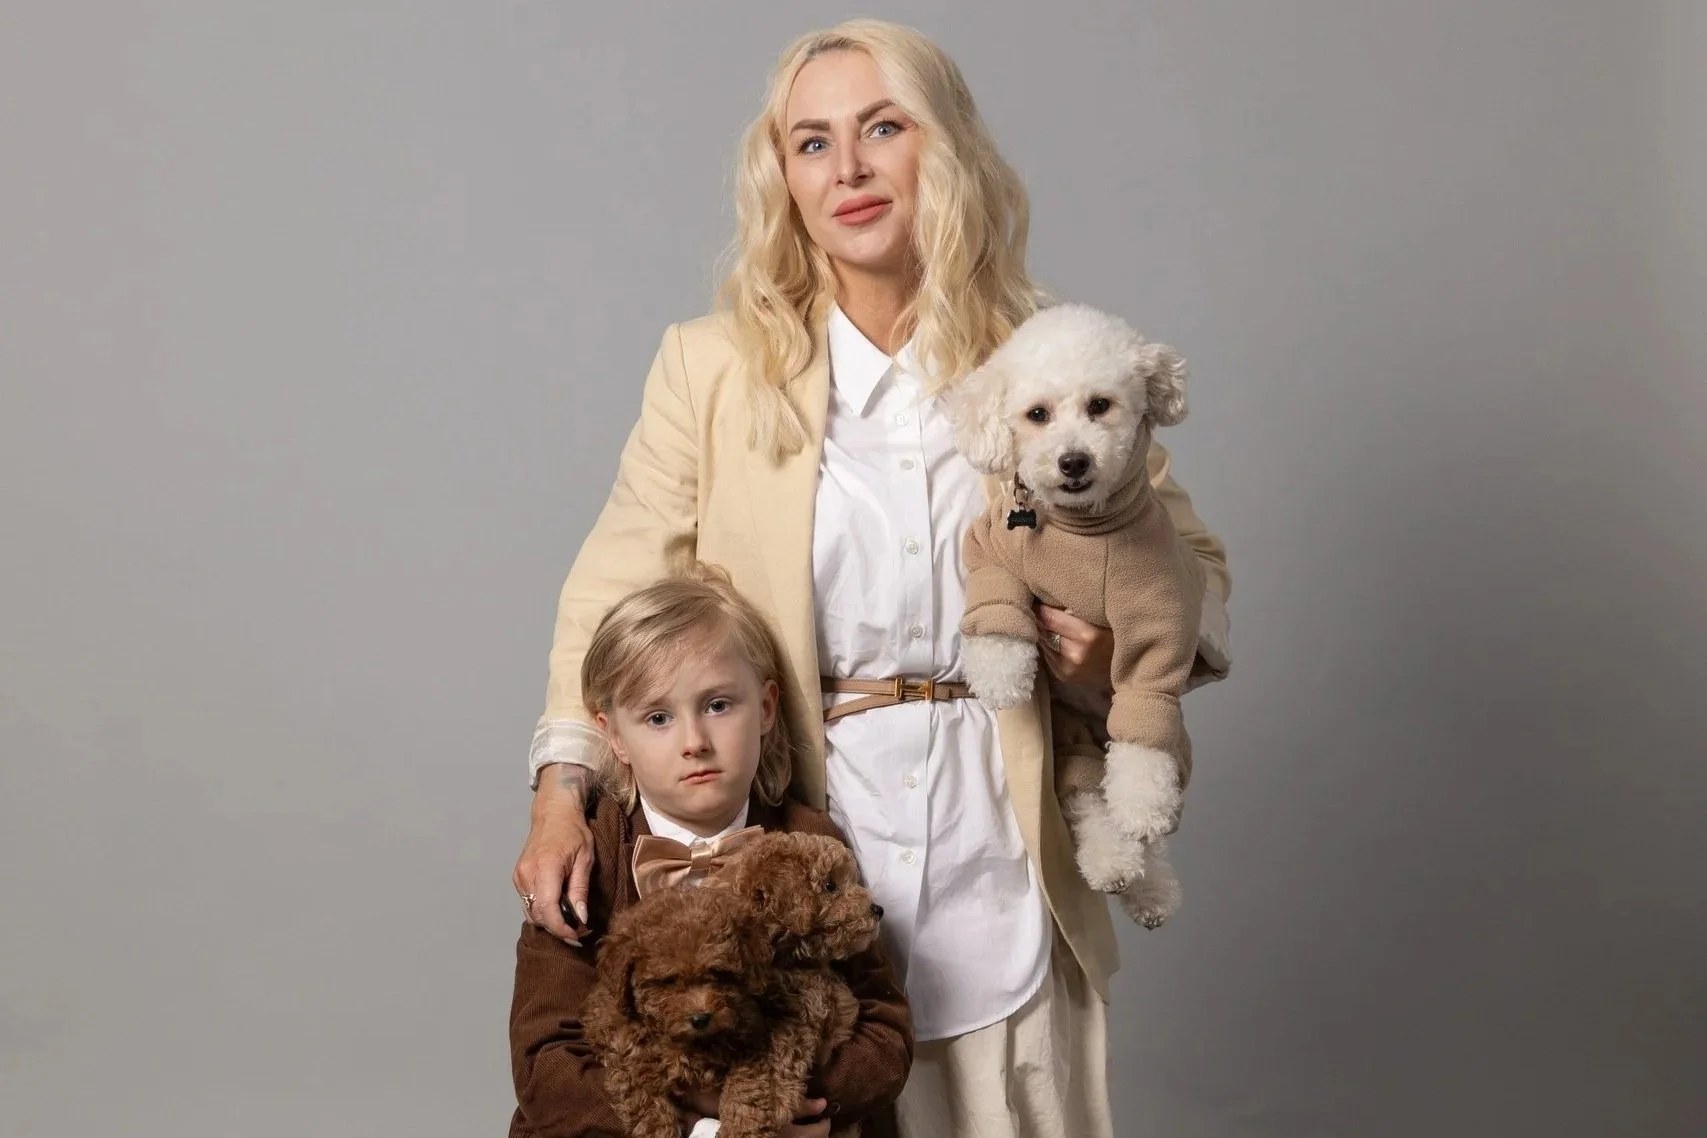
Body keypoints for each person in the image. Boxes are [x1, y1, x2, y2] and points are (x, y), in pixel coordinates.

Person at [513, 17, 1232, 1138]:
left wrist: (1111, 655)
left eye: (882, 128)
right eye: (812, 142)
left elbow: (1192, 572)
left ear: (944, 148)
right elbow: (611, 587)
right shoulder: (711, 367)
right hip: (803, 857)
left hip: (1003, 837)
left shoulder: (1045, 354)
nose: (846, 168)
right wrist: (562, 794)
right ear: (785, 179)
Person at [508, 564, 913, 1138]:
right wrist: (701, 1128)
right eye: (658, 718)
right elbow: (544, 1060)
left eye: (718, 705)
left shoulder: (810, 840)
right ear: (613, 735)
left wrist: (801, 1106)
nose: (694, 742)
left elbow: (885, 1030)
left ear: (767, 707)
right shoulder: (588, 856)